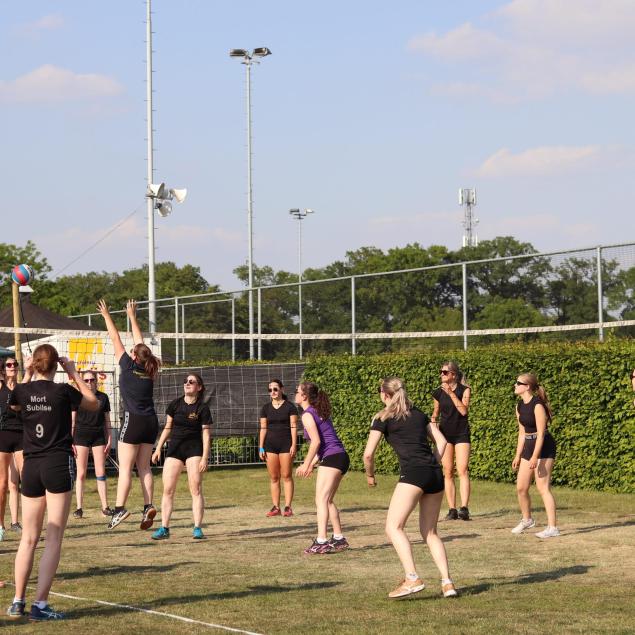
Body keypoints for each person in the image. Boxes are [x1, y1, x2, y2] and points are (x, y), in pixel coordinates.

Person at [6, 344, 98, 621]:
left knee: (28, 538)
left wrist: (27, 373)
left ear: (34, 364)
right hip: (56, 463)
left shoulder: (23, 391)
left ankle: (17, 601)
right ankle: (40, 605)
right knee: (54, 537)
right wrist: (73, 372)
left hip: (31, 467)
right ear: (56, 365)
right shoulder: (63, 391)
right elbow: (93, 402)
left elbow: (13, 403)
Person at [364, 377, 457, 599]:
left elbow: (368, 454)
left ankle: (412, 577)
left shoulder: (382, 417)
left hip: (413, 474)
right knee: (430, 532)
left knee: (393, 527)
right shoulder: (419, 414)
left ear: (385, 395)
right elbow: (442, 442)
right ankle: (447, 583)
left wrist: (370, 475)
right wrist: (432, 463)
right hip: (434, 474)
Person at [97, 299, 160, 530]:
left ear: (133, 356)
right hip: (151, 421)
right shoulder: (150, 368)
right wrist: (132, 316)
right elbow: (140, 344)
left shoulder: (128, 365)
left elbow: (115, 338)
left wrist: (106, 315)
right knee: (144, 468)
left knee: (125, 469)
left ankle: (119, 509)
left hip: (133, 420)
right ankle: (148, 506)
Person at [151, 373, 212, 540]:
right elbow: (168, 428)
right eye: (185, 381)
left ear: (199, 387)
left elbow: (206, 434)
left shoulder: (202, 408)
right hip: (175, 449)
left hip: (194, 449)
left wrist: (205, 457)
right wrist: (158, 448)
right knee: (168, 489)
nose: (187, 383)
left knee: (196, 489)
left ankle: (197, 528)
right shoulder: (175, 404)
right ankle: (164, 528)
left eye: (191, 382)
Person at [295, 381, 350, 554]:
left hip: (332, 458)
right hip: (340, 457)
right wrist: (312, 464)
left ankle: (321, 541)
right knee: (327, 500)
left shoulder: (307, 414)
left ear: (304, 396)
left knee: (321, 500)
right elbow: (325, 442)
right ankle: (339, 538)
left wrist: (305, 464)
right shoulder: (318, 411)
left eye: (297, 391)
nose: (295, 394)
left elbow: (317, 442)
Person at [511, 373, 559, 538]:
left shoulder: (537, 405)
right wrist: (518, 455)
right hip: (529, 446)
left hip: (544, 446)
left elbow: (541, 434)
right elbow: (522, 433)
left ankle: (552, 528)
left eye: (518, 383)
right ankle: (527, 520)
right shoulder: (519, 406)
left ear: (527, 387)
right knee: (521, 488)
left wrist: (534, 456)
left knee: (542, 487)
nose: (515, 385)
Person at [431, 361, 472, 521]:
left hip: (461, 434)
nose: (441, 374)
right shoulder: (438, 393)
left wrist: (451, 393)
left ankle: (464, 509)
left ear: (453, 375)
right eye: (441, 372)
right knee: (447, 471)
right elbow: (436, 412)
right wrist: (433, 422)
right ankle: (452, 509)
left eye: (445, 372)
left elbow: (463, 411)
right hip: (445, 435)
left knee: (462, 470)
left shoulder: (465, 390)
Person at [71, 370, 113, 519]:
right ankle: (79, 508)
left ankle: (105, 507)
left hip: (98, 436)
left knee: (100, 472)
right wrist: (70, 439)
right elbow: (72, 420)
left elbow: (107, 421)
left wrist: (109, 438)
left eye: (92, 380)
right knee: (81, 473)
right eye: (86, 380)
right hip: (80, 436)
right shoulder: (77, 397)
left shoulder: (103, 397)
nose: (89, 383)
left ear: (96, 381)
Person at [0, 356, 31, 539]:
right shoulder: (1, 387)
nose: (12, 367)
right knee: (3, 483)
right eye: (9, 365)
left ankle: (23, 523)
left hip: (20, 435)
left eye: (15, 364)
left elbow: (18, 406)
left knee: (25, 479)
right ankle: (1, 525)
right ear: (3, 369)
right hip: (3, 435)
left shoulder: (22, 388)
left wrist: (29, 369)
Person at [258, 379, 298, 517]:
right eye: (270, 390)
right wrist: (261, 447)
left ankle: (288, 507)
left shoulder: (290, 407)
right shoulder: (265, 408)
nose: (273, 392)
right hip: (270, 446)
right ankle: (276, 507)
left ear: (282, 389)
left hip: (286, 445)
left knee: (286, 475)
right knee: (274, 477)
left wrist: (294, 445)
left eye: (275, 389)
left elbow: (294, 427)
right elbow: (263, 428)